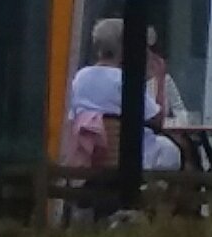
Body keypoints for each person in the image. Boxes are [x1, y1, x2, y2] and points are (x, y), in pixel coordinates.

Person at [65, 17, 183, 173]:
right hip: (130, 154)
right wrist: (160, 79)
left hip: (90, 154)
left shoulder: (81, 76)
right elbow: (157, 120)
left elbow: (73, 116)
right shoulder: (124, 79)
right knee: (171, 150)